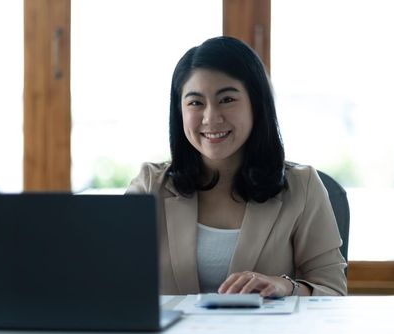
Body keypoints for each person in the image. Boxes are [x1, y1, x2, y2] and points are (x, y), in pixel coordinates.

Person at [127, 36, 347, 297]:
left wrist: (285, 286)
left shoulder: (302, 186)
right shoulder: (150, 185)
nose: (211, 118)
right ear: (180, 111)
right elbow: (113, 277)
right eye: (196, 103)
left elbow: (332, 289)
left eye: (227, 100)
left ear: (256, 104)